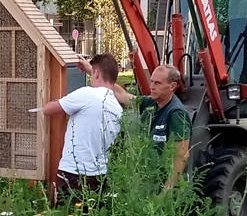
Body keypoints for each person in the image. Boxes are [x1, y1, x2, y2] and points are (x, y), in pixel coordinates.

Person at [79, 59, 191, 192]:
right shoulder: (152, 103)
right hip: (149, 182)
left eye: (158, 83)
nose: (152, 86)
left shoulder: (176, 114)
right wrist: (93, 72)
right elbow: (124, 95)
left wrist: (165, 193)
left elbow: (181, 155)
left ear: (172, 86)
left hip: (165, 187)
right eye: (152, 81)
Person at [42, 53, 123, 206]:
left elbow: (47, 109)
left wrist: (59, 100)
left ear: (97, 73)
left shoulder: (87, 94)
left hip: (73, 174)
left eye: (92, 73)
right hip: (99, 176)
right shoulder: (117, 107)